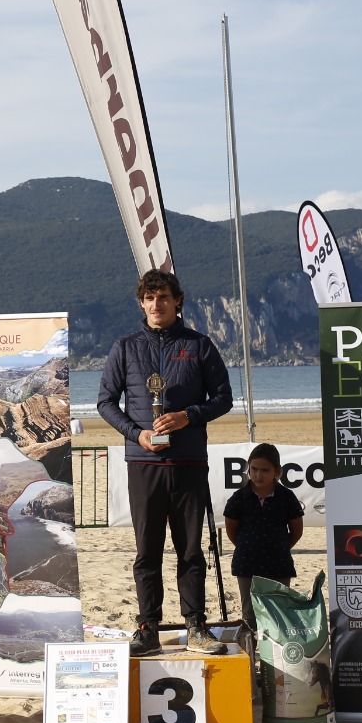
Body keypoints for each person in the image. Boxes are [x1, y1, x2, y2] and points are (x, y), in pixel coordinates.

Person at [98, 268, 233, 657]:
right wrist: (136, 433)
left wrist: (188, 416)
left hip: (188, 462)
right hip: (144, 463)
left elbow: (223, 398)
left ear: (177, 302)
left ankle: (196, 625)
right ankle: (147, 627)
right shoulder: (125, 347)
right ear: (141, 303)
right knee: (147, 551)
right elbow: (105, 402)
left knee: (191, 550)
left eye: (163, 297)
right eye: (149, 298)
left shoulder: (199, 345)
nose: (156, 304)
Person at [223, 442, 305, 624]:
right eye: (254, 469)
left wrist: (280, 547)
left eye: (265, 470)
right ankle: (253, 643)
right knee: (250, 616)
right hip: (247, 564)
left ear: (278, 471)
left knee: (279, 614)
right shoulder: (238, 498)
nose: (258, 475)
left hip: (279, 564)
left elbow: (297, 531)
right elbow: (232, 530)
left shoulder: (287, 497)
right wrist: (247, 546)